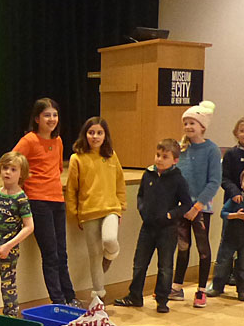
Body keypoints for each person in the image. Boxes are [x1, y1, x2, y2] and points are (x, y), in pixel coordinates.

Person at [115, 138, 192, 313]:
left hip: (167, 229)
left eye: (164, 156)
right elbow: (141, 196)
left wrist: (170, 214)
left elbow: (186, 204)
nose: (159, 159)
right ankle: (135, 296)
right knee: (139, 263)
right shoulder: (148, 174)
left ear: (174, 160)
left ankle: (162, 299)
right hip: (148, 228)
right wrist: (143, 211)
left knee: (165, 266)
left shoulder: (178, 179)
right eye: (158, 155)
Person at [14, 98, 77, 305]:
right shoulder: (29, 140)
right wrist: (21, 191)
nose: (52, 119)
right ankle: (58, 301)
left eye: (55, 115)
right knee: (50, 254)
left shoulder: (57, 141)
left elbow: (57, 168)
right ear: (37, 118)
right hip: (37, 201)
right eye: (47, 115)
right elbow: (12, 163)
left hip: (57, 200)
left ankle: (70, 297)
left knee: (62, 253)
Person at [65, 117, 126, 302]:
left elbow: (119, 182)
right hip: (88, 212)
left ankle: (111, 254)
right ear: (85, 134)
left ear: (105, 135)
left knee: (110, 240)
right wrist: (75, 214)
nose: (95, 136)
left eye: (99, 133)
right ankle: (99, 296)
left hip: (111, 209)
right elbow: (71, 189)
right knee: (94, 256)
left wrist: (121, 207)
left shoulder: (111, 155)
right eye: (91, 132)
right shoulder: (77, 158)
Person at [171, 100, 221, 308]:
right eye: (186, 123)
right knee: (182, 247)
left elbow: (214, 181)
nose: (189, 127)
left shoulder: (212, 150)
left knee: (202, 248)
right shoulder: (181, 148)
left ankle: (201, 290)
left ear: (202, 126)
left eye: (193, 123)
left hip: (201, 209)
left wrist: (197, 206)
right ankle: (176, 286)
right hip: (182, 207)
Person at [0, 151, 35, 316]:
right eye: (5, 168)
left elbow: (29, 227)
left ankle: (11, 319)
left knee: (7, 286)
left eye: (13, 169)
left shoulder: (21, 199)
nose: (8, 172)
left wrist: (9, 245)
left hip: (8, 252)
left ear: (21, 174)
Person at [207, 167, 244, 301]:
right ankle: (217, 286)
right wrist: (236, 216)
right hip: (230, 236)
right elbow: (223, 213)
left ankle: (242, 290)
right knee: (223, 262)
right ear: (241, 183)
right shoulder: (235, 199)